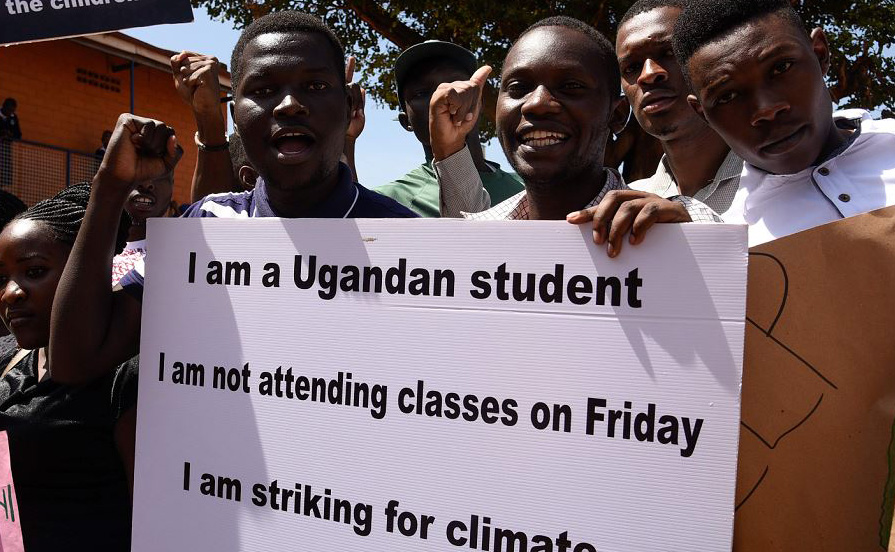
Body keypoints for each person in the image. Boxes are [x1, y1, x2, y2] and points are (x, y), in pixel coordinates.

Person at [49, 11, 418, 385]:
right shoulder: (205, 227)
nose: (289, 105)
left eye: (316, 86)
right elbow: (75, 362)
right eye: (263, 90)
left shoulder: (408, 240)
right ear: (236, 115)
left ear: (350, 104)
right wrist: (109, 187)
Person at [430, 17, 716, 251]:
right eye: (518, 88)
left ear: (616, 115)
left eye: (571, 87)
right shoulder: (474, 239)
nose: (537, 104)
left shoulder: (676, 224)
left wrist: (695, 244)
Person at [672, 0, 895, 245]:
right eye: (727, 96)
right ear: (703, 114)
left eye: (781, 68)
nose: (766, 110)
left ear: (820, 53)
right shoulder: (725, 236)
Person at [0, 184, 135, 551]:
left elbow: (151, 516)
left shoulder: (125, 377)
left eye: (34, 271)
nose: (11, 293)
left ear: (85, 274)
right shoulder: (7, 353)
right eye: (2, 278)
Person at [616, 0, 743, 214]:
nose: (648, 74)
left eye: (670, 53)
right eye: (632, 67)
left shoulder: (783, 180)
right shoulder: (625, 206)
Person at [373, 40, 523, 217]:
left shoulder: (529, 188)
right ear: (406, 122)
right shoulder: (387, 202)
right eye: (422, 93)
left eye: (456, 84)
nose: (444, 96)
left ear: (479, 102)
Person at [111, 171, 174, 286]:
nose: (146, 183)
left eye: (160, 174)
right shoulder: (90, 247)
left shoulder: (181, 254)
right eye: (135, 170)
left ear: (171, 186)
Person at [0, 98, 20, 189]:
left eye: (12, 111)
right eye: (9, 110)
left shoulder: (13, 117)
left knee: (4, 171)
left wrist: (10, 134)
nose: (10, 113)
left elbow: (18, 134)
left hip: (5, 148)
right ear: (4, 107)